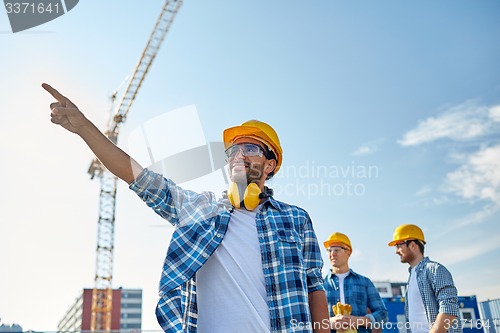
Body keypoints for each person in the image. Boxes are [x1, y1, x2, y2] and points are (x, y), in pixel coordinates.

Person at [43, 83, 330, 333]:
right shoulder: (198, 209)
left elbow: (315, 287)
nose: (239, 155)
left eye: (251, 149)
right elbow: (135, 175)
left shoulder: (295, 218)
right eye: (233, 150)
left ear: (269, 164)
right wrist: (83, 128)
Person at [388, 224, 462, 333]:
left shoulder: (435, 270)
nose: (397, 251)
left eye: (399, 245)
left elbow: (449, 309)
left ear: (412, 245)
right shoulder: (411, 277)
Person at [323, 232, 388, 333]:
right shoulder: (320, 285)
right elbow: (309, 316)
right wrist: (329, 322)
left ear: (348, 252)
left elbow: (382, 314)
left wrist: (360, 321)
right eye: (329, 250)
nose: (332, 254)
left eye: (336, 250)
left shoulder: (364, 282)